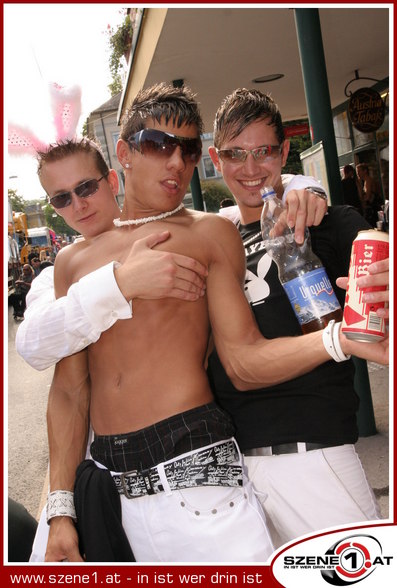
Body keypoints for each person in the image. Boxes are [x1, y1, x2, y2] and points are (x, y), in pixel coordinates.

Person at [28, 83, 387, 564]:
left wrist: (340, 336)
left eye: (189, 149)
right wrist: (60, 510)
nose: (175, 162)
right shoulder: (72, 262)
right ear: (124, 152)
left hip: (197, 470)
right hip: (111, 484)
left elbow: (241, 357)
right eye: (158, 144)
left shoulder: (212, 233)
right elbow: (69, 391)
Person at [206, 88, 388, 547]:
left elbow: (372, 244)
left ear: (284, 152)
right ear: (215, 159)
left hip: (312, 455)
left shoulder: (324, 219)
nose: (251, 169)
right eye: (236, 154)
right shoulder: (213, 236)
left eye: (264, 151)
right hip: (230, 473)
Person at [356, 162, 383, 227]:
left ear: (365, 171)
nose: (358, 173)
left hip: (373, 209)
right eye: (357, 172)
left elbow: (367, 197)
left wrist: (362, 199)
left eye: (359, 171)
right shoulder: (366, 181)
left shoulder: (368, 181)